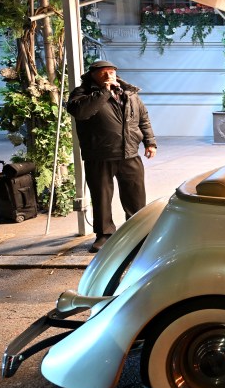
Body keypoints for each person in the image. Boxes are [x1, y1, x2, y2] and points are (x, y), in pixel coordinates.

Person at [67, 60, 157, 252]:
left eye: (112, 72)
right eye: (103, 73)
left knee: (135, 196)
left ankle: (137, 232)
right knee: (101, 196)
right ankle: (104, 235)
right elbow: (82, 113)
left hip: (129, 153)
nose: (109, 76)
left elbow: (143, 118)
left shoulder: (129, 93)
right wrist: (105, 92)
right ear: (92, 75)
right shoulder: (81, 94)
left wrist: (150, 142)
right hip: (99, 155)